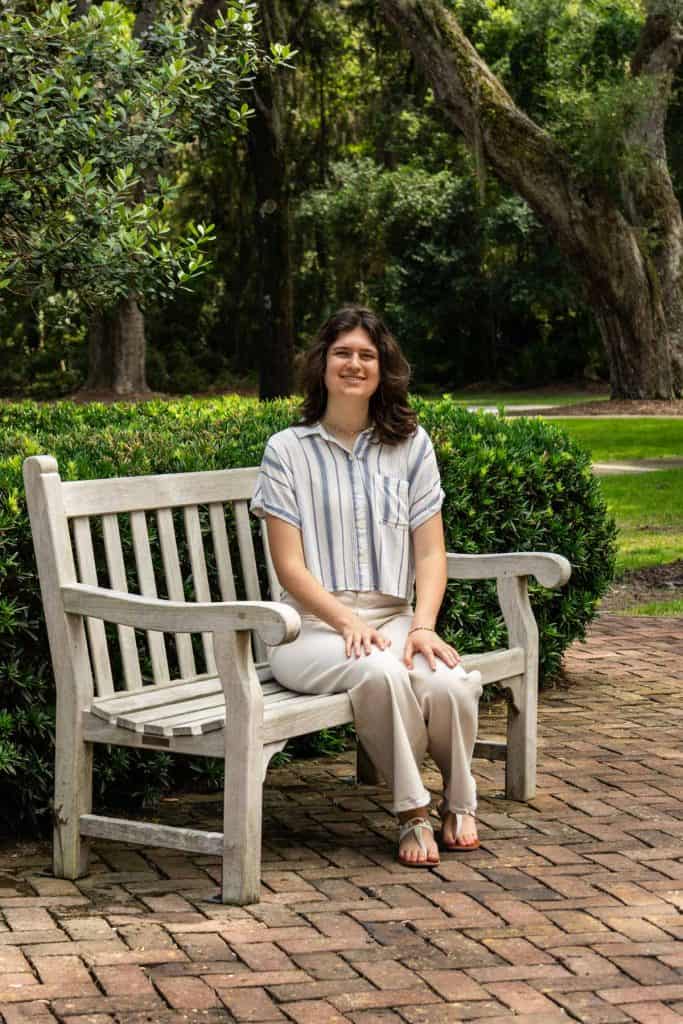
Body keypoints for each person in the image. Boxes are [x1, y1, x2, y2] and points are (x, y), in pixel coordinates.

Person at [250, 306, 483, 868]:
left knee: (448, 683)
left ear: (383, 369)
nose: (354, 365)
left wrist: (422, 626)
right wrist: (346, 622)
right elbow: (290, 568)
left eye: (366, 355)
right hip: (310, 631)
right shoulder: (287, 450)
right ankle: (411, 813)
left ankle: (459, 802)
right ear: (322, 365)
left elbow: (429, 551)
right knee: (379, 670)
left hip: (396, 618)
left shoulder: (411, 446)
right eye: (342, 354)